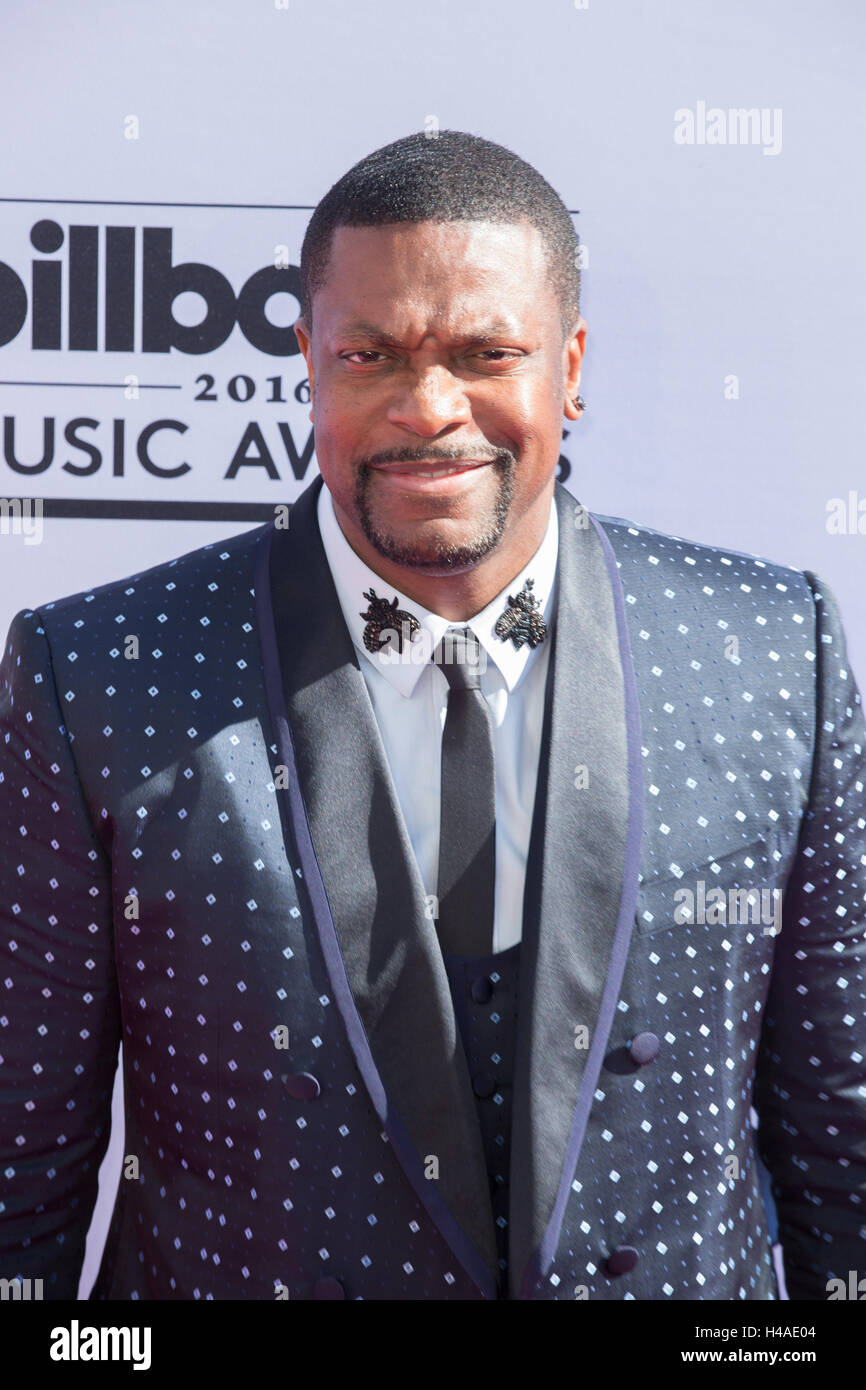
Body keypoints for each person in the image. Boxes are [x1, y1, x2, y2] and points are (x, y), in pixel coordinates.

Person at [0, 129, 864, 1302]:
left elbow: (840, 1133)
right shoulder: (96, 671)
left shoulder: (765, 650)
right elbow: (22, 1165)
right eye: (370, 355)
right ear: (305, 358)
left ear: (567, 364)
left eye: (483, 351)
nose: (428, 406)